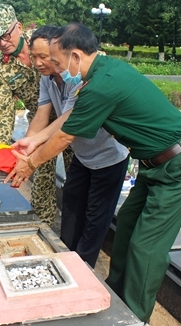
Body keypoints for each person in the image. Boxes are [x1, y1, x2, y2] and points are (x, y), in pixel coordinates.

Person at [5, 23, 181, 323]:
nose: (56, 69)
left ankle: (135, 317)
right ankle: (117, 297)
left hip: (177, 168)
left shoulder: (102, 84)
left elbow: (65, 138)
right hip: (153, 166)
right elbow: (70, 118)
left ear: (75, 56)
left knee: (146, 247)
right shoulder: (102, 73)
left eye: (58, 63)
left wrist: (31, 163)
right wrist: (34, 140)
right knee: (124, 225)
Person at [25, 25, 129, 268]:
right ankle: (65, 258)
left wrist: (31, 160)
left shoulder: (76, 75)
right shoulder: (47, 79)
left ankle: (83, 268)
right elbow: (42, 116)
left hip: (108, 156)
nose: (40, 63)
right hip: (83, 156)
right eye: (35, 57)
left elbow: (67, 125)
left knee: (96, 216)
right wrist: (25, 146)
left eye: (45, 57)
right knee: (71, 205)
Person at [0, 4, 59, 226]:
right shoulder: (4, 70)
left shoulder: (45, 42)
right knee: (41, 177)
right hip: (40, 122)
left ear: (18, 26)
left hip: (70, 119)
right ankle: (43, 227)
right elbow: (0, 113)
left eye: (5, 35)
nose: (2, 43)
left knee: (78, 176)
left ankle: (76, 228)